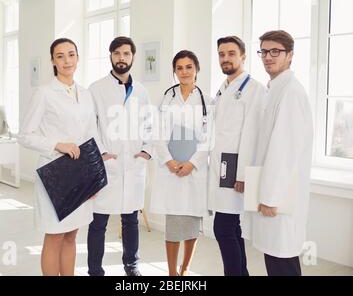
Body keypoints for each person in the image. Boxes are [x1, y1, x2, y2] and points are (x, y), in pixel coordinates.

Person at [18, 38, 105, 276]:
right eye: (60, 56)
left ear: (78, 57)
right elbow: (25, 135)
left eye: (71, 54)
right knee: (55, 235)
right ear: (52, 61)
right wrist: (58, 145)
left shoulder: (86, 94)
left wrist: (94, 178)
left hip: (80, 174)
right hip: (54, 174)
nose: (67, 60)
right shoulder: (44, 93)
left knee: (71, 234)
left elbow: (91, 136)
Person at [242, 30, 313, 276]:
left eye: (275, 51)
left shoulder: (291, 92)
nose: (268, 57)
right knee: (276, 260)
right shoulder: (275, 89)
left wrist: (271, 197)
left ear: (290, 55)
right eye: (263, 51)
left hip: (280, 197)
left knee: (282, 262)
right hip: (272, 191)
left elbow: (285, 150)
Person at [87, 36, 153, 276]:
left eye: (126, 53)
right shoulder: (96, 89)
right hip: (107, 164)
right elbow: (90, 125)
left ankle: (132, 266)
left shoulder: (142, 92)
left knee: (131, 220)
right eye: (117, 53)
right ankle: (95, 270)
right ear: (110, 57)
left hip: (133, 164)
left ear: (132, 57)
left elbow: (149, 124)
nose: (121, 58)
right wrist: (101, 152)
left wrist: (146, 150)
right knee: (98, 223)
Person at [150, 50, 212, 276]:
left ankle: (185, 269)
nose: (184, 72)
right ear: (174, 71)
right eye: (179, 68)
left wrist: (193, 163)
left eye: (188, 67)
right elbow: (156, 133)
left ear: (197, 68)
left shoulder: (208, 101)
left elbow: (209, 138)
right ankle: (171, 273)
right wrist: (169, 161)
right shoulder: (166, 98)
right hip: (172, 171)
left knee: (192, 225)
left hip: (194, 172)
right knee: (173, 227)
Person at [207, 36, 266, 276]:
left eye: (231, 53)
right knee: (232, 227)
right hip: (222, 164)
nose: (226, 58)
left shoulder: (254, 89)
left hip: (235, 168)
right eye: (221, 54)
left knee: (223, 228)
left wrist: (243, 175)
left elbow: (252, 135)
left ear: (243, 56)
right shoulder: (224, 88)